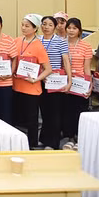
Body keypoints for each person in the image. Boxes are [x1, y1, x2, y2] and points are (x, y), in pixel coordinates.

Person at [11, 14, 53, 148]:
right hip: (16, 85)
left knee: (31, 120)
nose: (23, 28)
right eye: (22, 25)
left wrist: (36, 79)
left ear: (35, 28)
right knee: (17, 118)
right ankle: (18, 144)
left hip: (31, 88)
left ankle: (32, 144)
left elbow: (48, 69)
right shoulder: (17, 41)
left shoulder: (38, 46)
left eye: (27, 26)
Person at [38, 15, 71, 149]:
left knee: (55, 112)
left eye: (50, 25)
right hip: (40, 79)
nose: (46, 27)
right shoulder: (37, 40)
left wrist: (69, 80)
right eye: (44, 24)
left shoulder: (61, 41)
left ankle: (53, 143)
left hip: (55, 81)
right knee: (44, 111)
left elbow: (66, 61)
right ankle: (44, 138)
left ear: (55, 26)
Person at [63, 17, 92, 146]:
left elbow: (87, 68)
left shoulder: (86, 46)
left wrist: (89, 85)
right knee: (67, 110)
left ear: (79, 30)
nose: (71, 30)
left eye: (74, 28)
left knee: (79, 110)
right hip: (64, 81)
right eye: (69, 28)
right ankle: (69, 137)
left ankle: (80, 136)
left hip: (80, 83)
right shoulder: (61, 43)